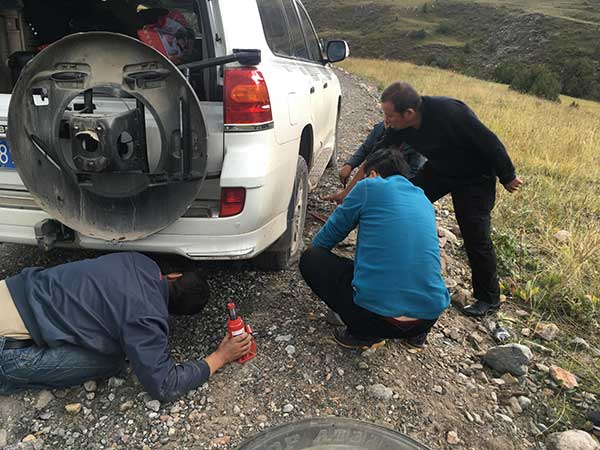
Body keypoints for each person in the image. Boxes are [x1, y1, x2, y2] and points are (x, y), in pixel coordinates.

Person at [0, 252, 252, 400]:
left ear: (173, 276)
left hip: (10, 289)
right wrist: (220, 357)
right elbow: (164, 385)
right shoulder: (147, 319)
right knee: (113, 361)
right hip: (7, 349)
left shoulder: (138, 261)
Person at [375, 81, 523, 317]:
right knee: (407, 203)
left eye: (389, 115)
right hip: (441, 170)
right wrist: (366, 185)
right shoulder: (399, 126)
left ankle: (488, 298)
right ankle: (394, 260)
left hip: (475, 178)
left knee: (475, 235)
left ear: (409, 113)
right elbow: (382, 151)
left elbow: (489, 141)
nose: (387, 119)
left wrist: (507, 175)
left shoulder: (450, 112)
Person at [300, 148, 450, 350]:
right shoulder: (422, 200)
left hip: (373, 319)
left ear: (372, 174)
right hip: (428, 317)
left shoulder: (369, 186)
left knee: (311, 258)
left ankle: (362, 335)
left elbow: (324, 241)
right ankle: (415, 337)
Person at [327, 121, 426, 204]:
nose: (387, 120)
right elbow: (367, 152)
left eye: (391, 116)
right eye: (385, 115)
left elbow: (414, 176)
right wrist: (350, 165)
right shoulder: (381, 128)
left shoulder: (415, 144)